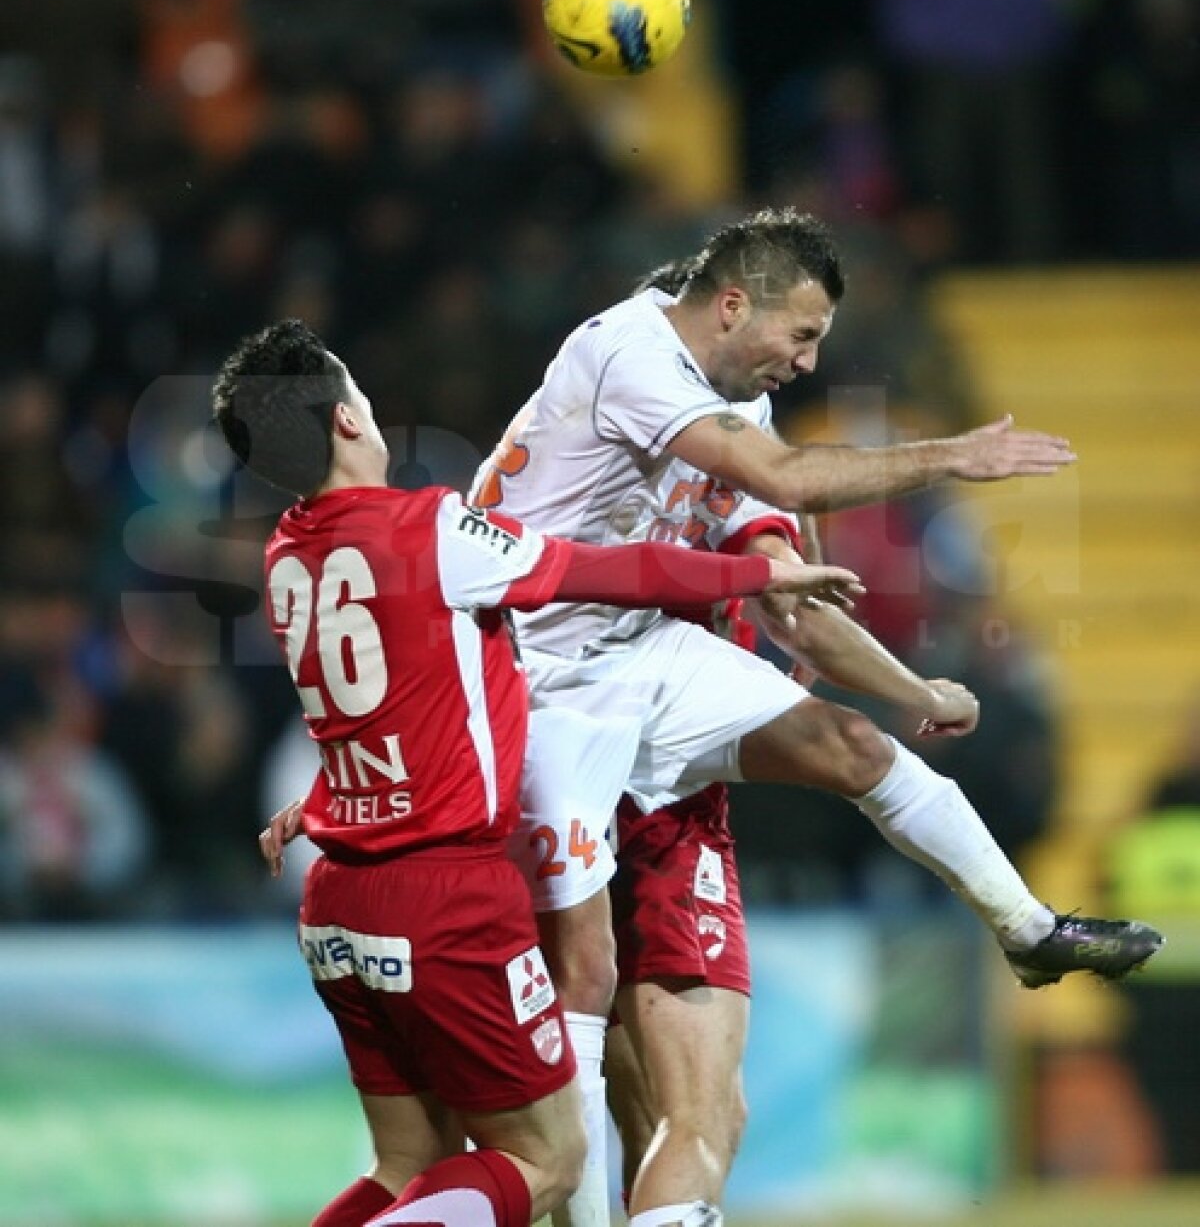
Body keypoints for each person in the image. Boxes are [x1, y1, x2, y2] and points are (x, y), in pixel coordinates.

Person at [471, 208, 1164, 1227]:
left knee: (850, 743)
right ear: (733, 305)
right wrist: (956, 454)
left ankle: (1029, 928)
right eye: (799, 338)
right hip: (533, 680)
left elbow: (791, 599)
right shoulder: (630, 353)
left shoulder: (739, 414)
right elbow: (789, 483)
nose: (805, 364)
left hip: (643, 655)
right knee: (593, 1003)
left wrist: (916, 695)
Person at [214, 316, 864, 1227]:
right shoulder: (433, 527)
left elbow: (379, 711)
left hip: (337, 896)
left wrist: (326, 798)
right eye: (356, 388)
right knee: (546, 1159)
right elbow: (605, 569)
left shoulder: (287, 553)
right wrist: (749, 581)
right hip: (443, 894)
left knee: (405, 1167)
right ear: (348, 422)